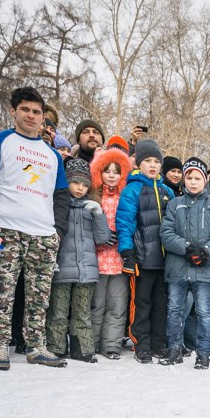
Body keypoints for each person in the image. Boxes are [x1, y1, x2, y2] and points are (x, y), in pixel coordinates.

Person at [0, 86, 70, 369]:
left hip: (43, 234)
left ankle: (36, 346)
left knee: (39, 296)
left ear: (44, 118)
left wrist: (58, 232)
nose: (31, 115)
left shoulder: (52, 155)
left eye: (37, 112)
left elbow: (62, 196)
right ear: (13, 111)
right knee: (3, 292)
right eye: (25, 110)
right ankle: (0, 347)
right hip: (6, 230)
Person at [159, 156, 210, 368]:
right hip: (178, 267)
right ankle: (174, 349)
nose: (192, 181)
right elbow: (166, 233)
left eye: (197, 177)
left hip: (205, 269)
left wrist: (207, 251)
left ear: (205, 179)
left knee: (204, 312)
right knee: (174, 309)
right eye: (188, 176)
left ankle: (203, 353)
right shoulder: (174, 204)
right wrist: (186, 248)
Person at [116, 138, 174, 363]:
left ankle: (159, 344)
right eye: (147, 161)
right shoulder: (133, 189)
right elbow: (125, 221)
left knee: (161, 304)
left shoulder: (167, 190)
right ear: (139, 163)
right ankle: (141, 344)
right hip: (142, 258)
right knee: (142, 303)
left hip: (165, 259)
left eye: (156, 161)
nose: (152, 165)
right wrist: (127, 252)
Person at [47, 157, 109, 363]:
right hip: (62, 269)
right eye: (75, 183)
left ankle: (82, 348)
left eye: (84, 184)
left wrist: (98, 213)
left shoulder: (91, 208)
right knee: (58, 311)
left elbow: (102, 238)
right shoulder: (57, 206)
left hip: (87, 270)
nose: (80, 188)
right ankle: (56, 347)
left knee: (83, 312)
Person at [88, 145, 129, 359]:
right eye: (107, 171)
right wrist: (99, 238)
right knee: (97, 305)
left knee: (117, 305)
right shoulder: (92, 196)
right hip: (97, 259)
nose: (111, 176)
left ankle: (111, 345)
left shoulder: (126, 196)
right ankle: (92, 343)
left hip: (119, 260)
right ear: (99, 172)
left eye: (116, 171)